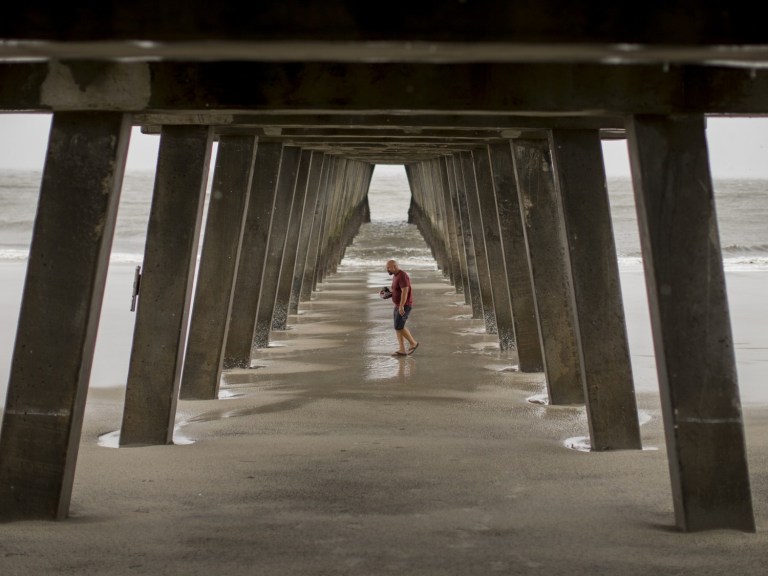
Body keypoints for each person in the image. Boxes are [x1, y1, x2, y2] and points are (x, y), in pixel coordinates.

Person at [381, 259, 419, 357]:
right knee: (397, 328)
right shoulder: (395, 276)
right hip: (398, 305)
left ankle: (413, 343)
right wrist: (389, 294)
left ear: (394, 266)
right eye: (386, 268)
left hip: (405, 306)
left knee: (399, 326)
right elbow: (397, 291)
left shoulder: (402, 276)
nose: (387, 269)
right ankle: (402, 349)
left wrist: (402, 306)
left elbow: (405, 291)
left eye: (388, 267)